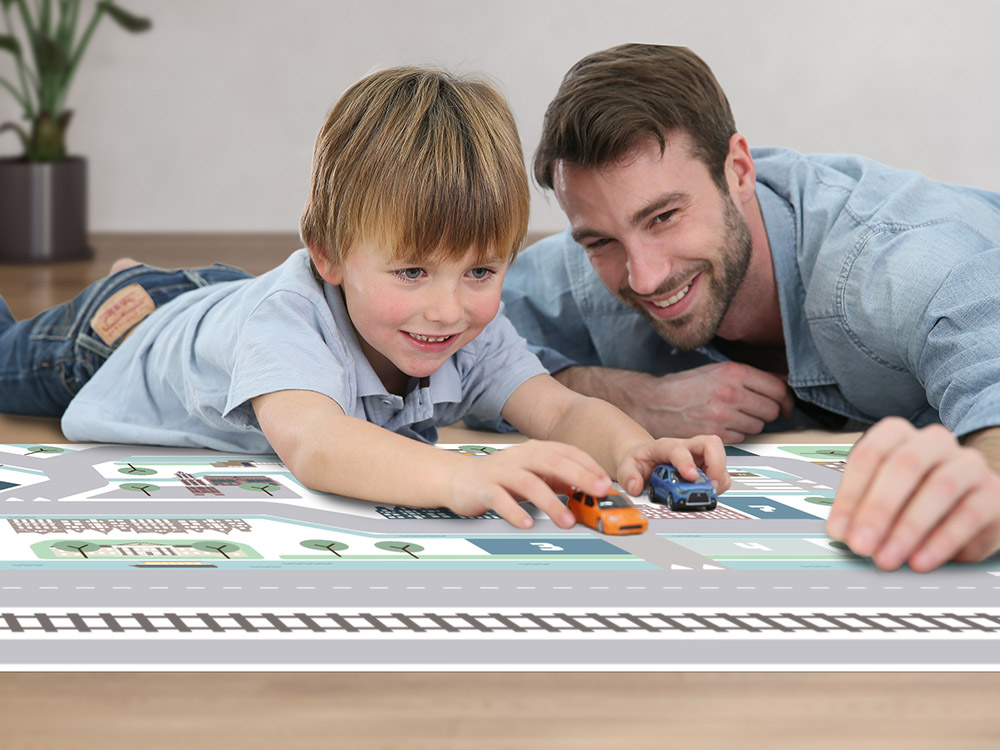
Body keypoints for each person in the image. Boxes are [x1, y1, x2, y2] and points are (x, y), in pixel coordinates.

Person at [0, 66, 729, 529]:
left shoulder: (467, 329)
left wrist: (638, 452)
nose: (448, 310)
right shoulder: (289, 322)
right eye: (412, 272)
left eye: (480, 272)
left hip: (228, 311)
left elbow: (561, 409)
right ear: (329, 255)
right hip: (118, 337)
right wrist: (461, 475)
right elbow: (317, 443)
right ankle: (137, 285)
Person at [499, 44, 1000, 571]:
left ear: (738, 170)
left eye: (664, 216)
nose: (643, 276)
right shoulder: (585, 267)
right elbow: (449, 344)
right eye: (601, 241)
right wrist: (627, 396)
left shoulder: (895, 261)